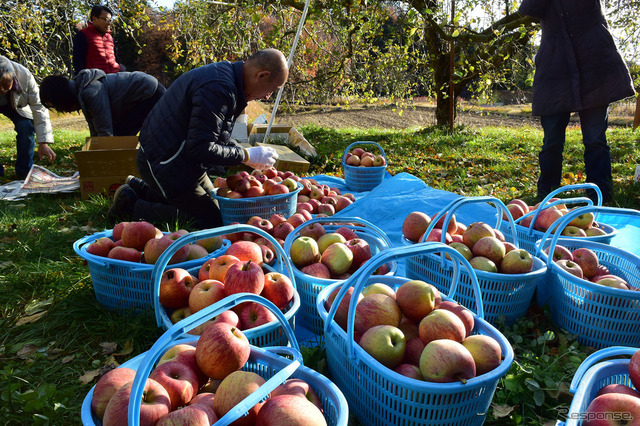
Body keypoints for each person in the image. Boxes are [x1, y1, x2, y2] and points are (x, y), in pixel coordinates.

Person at [107, 48, 288, 229]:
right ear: (262, 75)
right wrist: (245, 155)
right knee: (210, 221)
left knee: (221, 209)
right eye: (273, 90)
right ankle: (129, 205)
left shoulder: (228, 78)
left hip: (183, 159)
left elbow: (213, 134)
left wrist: (247, 157)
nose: (267, 96)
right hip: (164, 162)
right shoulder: (219, 88)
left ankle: (139, 188)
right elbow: (201, 148)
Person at [518, 0, 635, 203]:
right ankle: (547, 195)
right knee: (552, 141)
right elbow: (528, 10)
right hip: (556, 71)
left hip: (594, 66)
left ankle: (601, 196)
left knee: (595, 139)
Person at [39, 70, 165, 137]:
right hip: (144, 91)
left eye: (56, 105)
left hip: (148, 93)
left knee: (120, 136)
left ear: (61, 98)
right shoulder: (81, 91)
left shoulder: (91, 92)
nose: (63, 111)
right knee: (117, 135)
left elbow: (105, 130)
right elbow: (95, 127)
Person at [0, 56, 56, 180]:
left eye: (5, 84)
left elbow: (39, 108)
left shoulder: (24, 75)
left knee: (26, 128)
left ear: (13, 77)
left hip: (17, 107)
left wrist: (43, 142)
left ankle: (24, 171)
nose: (2, 89)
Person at [72, 5, 124, 76]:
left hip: (116, 78)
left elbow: (116, 60)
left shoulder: (110, 38)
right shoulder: (82, 35)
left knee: (140, 78)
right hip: (96, 80)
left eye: (110, 20)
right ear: (94, 19)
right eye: (106, 19)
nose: (109, 23)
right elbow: (78, 63)